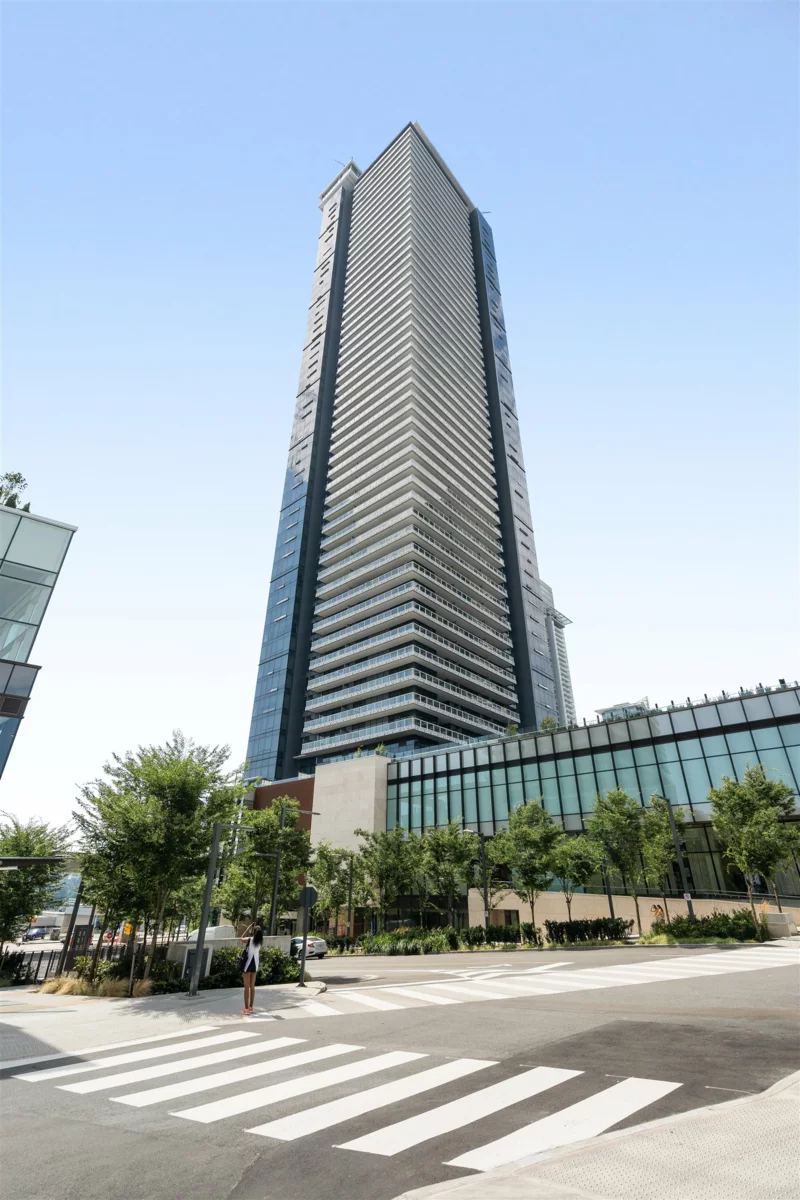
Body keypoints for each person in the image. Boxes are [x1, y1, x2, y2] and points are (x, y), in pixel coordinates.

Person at [240, 922, 263, 1015]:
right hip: (255, 964)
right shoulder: (260, 942)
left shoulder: (250, 940)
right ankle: (251, 1007)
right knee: (252, 987)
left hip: (248, 964)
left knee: (246, 987)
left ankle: (246, 1009)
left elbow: (241, 938)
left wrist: (247, 929)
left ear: (253, 932)